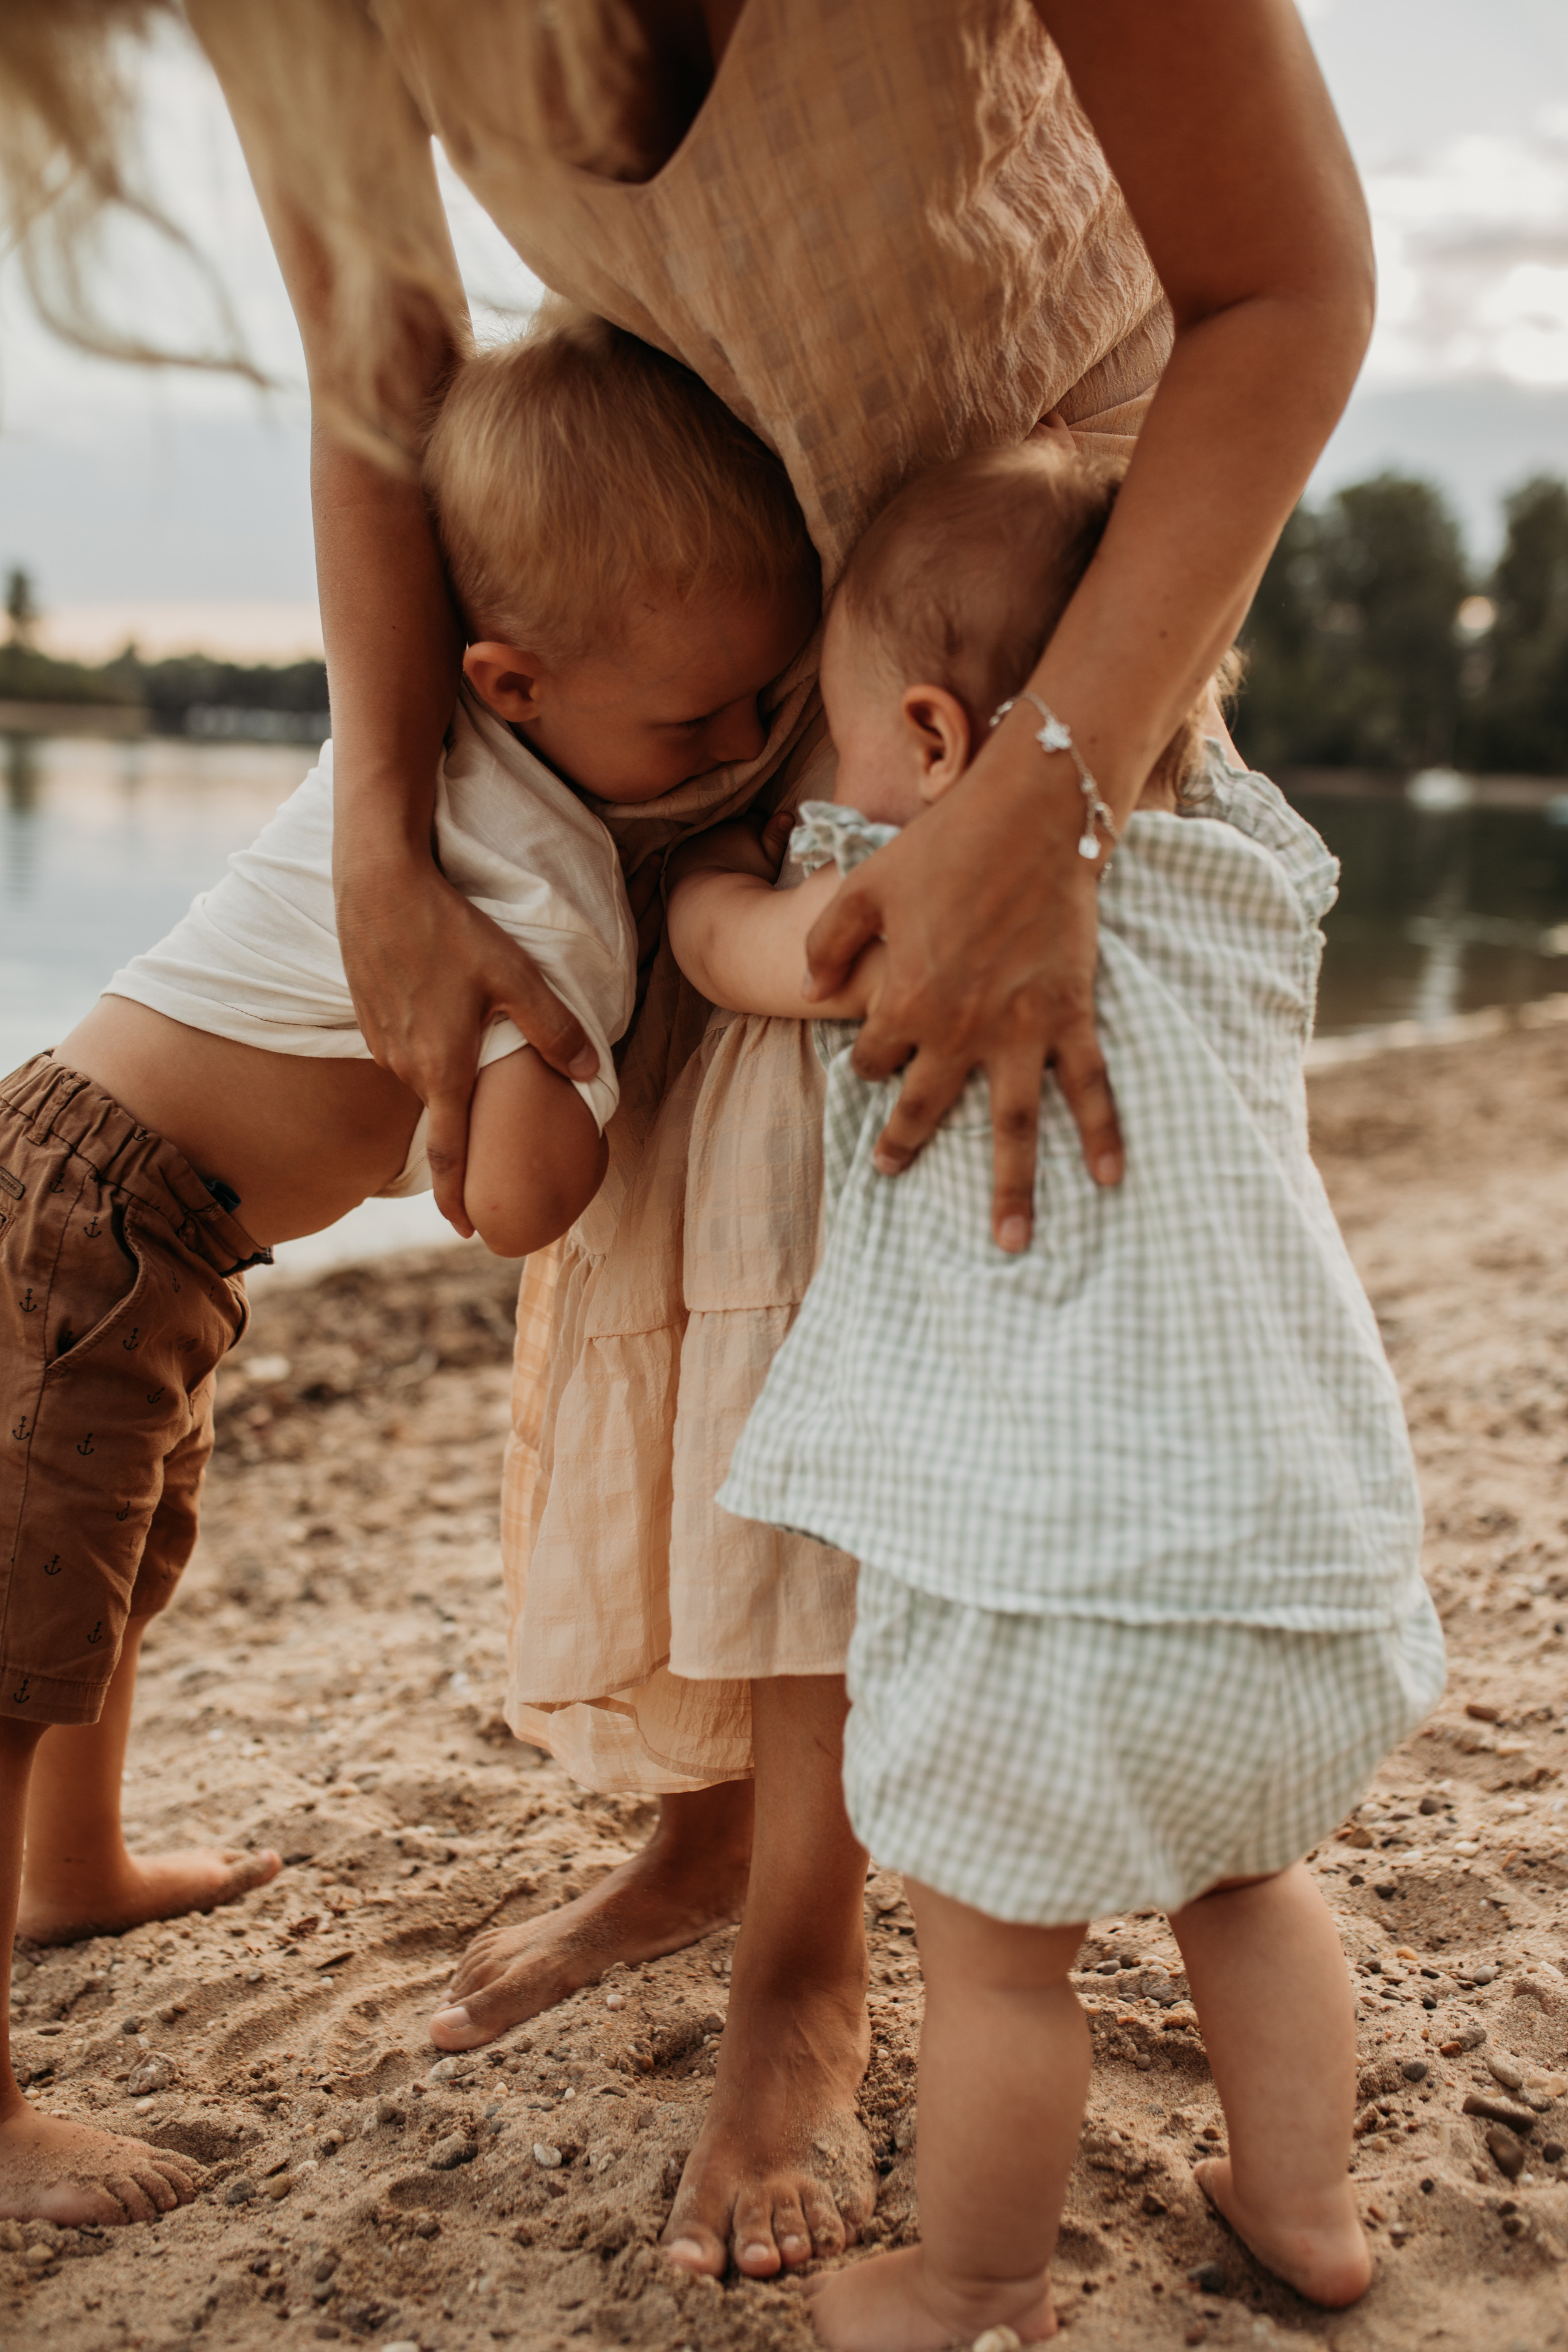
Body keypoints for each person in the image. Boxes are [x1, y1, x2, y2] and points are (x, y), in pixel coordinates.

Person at [3, 0, 1378, 2278]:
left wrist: (1038, 785)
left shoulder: (675, 758)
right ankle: (722, 1838)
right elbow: (381, 368)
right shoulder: (557, 789)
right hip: (669, 557)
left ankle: (805, 1959)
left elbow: (1290, 279)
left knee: (858, 1252)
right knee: (689, 1259)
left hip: (1006, 569)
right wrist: (380, 845)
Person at [0, 311, 818, 2224]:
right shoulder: (543, 874)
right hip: (99, 1222)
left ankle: (74, 1872)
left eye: (768, 706)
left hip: (132, 1211)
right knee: (13, 1640)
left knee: (102, 1576)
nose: (738, 752)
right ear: (513, 681)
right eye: (697, 724)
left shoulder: (434, 757)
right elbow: (519, 1201)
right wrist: (597, 1063)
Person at [665, 435, 1444, 2337]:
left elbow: (740, 952)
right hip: (1303, 1579)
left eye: (837, 733)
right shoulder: (1254, 894)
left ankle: (975, 2283)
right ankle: (1306, 2208)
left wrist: (691, 886)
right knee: (1251, 1891)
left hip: (1050, 1604)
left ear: (934, 740)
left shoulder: (904, 897)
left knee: (1003, 1970)